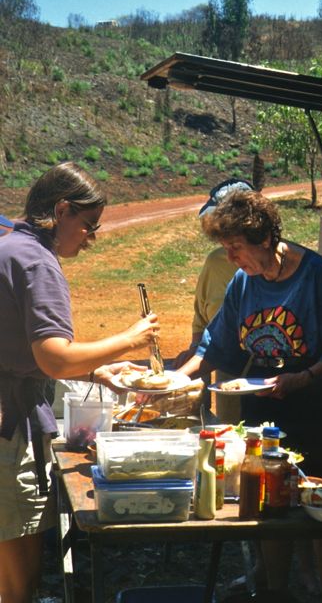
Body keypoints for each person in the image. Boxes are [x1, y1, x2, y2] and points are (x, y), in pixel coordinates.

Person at [177, 189, 322, 598]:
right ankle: (273, 590)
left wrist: (303, 379)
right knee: (270, 504)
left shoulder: (315, 275)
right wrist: (178, 379)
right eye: (225, 249)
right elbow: (216, 344)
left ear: (265, 240)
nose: (230, 259)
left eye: (235, 248)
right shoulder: (243, 282)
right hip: (270, 408)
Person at [0, 162, 159, 603]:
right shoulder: (37, 263)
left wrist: (93, 370)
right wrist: (129, 340)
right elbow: (52, 356)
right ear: (62, 209)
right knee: (16, 581)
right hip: (8, 430)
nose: (91, 237)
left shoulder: (10, 247)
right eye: (89, 225)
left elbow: (22, 348)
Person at [175, 178, 255, 423]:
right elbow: (202, 317)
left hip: (264, 374)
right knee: (230, 430)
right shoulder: (216, 262)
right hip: (224, 366)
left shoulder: (270, 267)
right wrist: (193, 349)